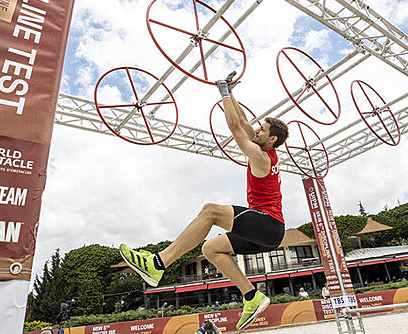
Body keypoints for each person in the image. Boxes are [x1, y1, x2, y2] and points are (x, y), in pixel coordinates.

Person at [119, 72, 289, 331]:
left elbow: (235, 129)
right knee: (210, 248)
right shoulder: (262, 147)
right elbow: (242, 121)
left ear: (272, 139)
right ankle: (252, 296)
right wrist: (228, 91)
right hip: (265, 231)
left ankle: (158, 263)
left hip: (270, 225)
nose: (257, 129)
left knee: (210, 212)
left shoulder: (261, 156)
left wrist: (223, 94)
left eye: (262, 130)